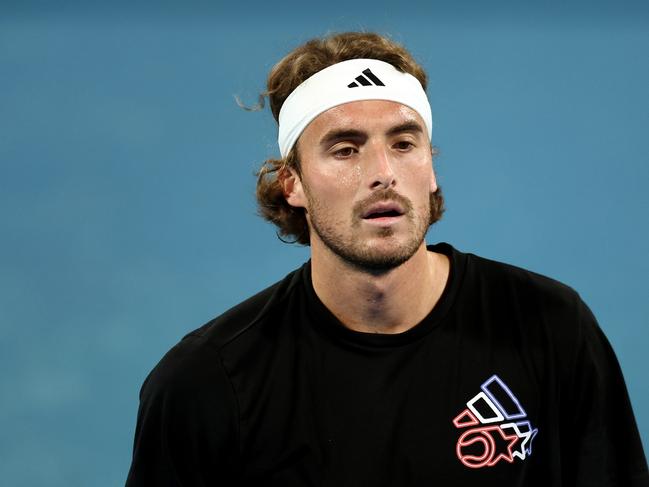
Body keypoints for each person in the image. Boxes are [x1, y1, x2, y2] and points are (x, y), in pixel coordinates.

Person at [125, 32, 648, 486]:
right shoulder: (206, 384)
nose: (383, 173)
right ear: (293, 185)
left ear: (431, 169)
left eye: (403, 143)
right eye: (346, 149)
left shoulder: (551, 329)